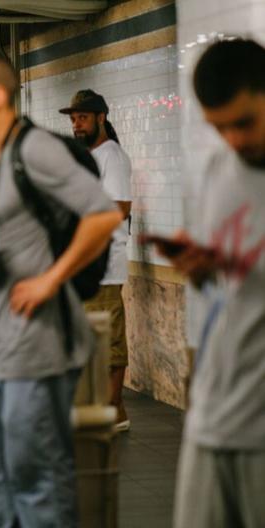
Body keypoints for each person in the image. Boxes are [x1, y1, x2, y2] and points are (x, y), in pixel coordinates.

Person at [0, 49, 121, 526]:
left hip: (39, 344)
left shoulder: (33, 149)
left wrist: (49, 280)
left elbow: (104, 215)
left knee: (35, 477)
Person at [156, 39, 265, 528]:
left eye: (245, 123)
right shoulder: (222, 169)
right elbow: (234, 292)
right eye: (220, 128)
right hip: (214, 414)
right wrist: (203, 270)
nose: (235, 141)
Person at [60, 89, 134, 431]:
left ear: (101, 118)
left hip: (105, 264)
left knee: (108, 338)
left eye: (83, 118)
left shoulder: (111, 156)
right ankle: (94, 405)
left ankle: (114, 409)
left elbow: (120, 207)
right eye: (74, 119)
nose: (77, 125)